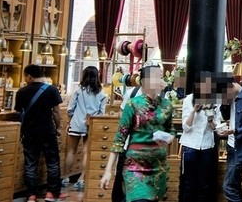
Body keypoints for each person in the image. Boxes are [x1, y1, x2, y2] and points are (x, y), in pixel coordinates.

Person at [99, 65, 176, 201]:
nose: (159, 81)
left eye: (160, 77)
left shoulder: (167, 105)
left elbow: (171, 129)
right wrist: (108, 170)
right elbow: (119, 138)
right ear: (144, 82)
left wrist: (170, 137)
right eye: (154, 77)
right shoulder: (133, 105)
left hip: (158, 167)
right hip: (135, 166)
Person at [15, 64, 65, 202]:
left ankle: (31, 195)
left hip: (29, 133)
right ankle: (51, 193)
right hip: (47, 131)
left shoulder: (21, 92)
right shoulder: (51, 90)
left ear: (29, 76)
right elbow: (56, 112)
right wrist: (58, 128)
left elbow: (19, 113)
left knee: (30, 164)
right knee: (52, 162)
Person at [212, 72, 242, 202]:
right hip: (231, 146)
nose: (223, 95)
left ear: (231, 86)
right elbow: (226, 117)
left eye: (223, 92)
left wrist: (235, 131)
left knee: (228, 186)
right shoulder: (231, 97)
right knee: (234, 184)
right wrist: (225, 104)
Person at [179, 71, 222, 202]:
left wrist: (210, 118)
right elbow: (186, 127)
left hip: (207, 146)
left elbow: (216, 127)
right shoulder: (188, 100)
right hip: (190, 146)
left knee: (204, 183)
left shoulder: (216, 102)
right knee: (188, 183)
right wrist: (194, 110)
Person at [63, 65, 108, 191]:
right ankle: (81, 180)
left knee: (71, 151)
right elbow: (101, 113)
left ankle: (65, 178)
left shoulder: (78, 90)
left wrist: (69, 120)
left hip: (76, 123)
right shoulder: (102, 93)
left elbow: (70, 109)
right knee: (86, 152)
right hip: (91, 124)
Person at [111, 80, 143, 202]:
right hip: (128, 146)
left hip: (147, 151)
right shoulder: (132, 93)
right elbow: (122, 115)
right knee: (121, 181)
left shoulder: (161, 98)